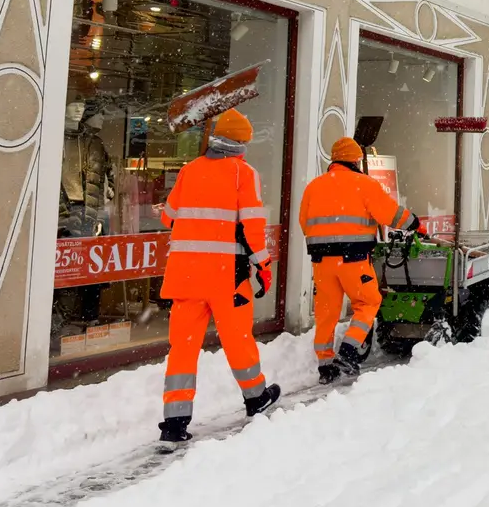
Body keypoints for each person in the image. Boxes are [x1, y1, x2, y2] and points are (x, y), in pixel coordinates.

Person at [156, 109, 280, 443]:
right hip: (227, 277)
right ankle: (255, 398)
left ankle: (175, 422)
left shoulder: (189, 171)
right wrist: (263, 265)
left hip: (184, 277)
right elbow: (253, 226)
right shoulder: (244, 173)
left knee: (182, 348)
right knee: (237, 339)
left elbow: (168, 217)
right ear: (240, 144)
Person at [300, 138, 419, 383]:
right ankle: (349, 351)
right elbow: (391, 214)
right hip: (354, 261)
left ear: (334, 160)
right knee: (368, 302)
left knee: (326, 313)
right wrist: (412, 223)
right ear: (355, 161)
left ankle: (325, 365)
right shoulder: (364, 184)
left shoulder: (314, 186)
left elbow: (305, 222)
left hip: (321, 263)